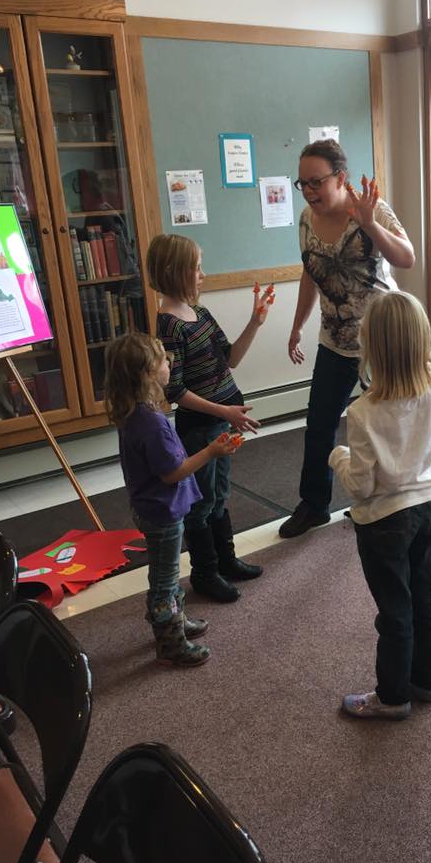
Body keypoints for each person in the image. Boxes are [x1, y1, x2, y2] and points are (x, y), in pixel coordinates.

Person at [279, 139, 415, 539]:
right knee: (319, 424)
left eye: (316, 182)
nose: (308, 191)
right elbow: (311, 273)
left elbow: (406, 258)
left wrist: (370, 224)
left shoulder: (372, 209)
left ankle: (385, 502)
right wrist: (297, 325)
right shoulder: (306, 220)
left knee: (385, 425)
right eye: (302, 183)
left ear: (340, 178)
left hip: (381, 341)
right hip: (334, 340)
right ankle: (314, 504)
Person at [329, 290, 431, 719]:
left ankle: (393, 698)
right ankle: (424, 681)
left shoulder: (362, 412)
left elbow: (360, 487)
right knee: (427, 598)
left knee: (395, 610)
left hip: (383, 522)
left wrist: (338, 457)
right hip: (429, 507)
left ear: (371, 348)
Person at [105, 333, 241, 667]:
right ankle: (170, 642)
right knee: (165, 580)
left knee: (164, 573)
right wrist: (211, 451)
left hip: (150, 507)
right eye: (163, 360)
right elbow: (173, 473)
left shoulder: (135, 412)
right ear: (148, 374)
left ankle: (174, 621)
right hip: (162, 512)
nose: (170, 362)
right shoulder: (151, 422)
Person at [150, 233, 272, 602]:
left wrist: (255, 322)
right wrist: (224, 412)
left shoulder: (200, 314)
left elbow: (230, 358)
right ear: (175, 272)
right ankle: (205, 573)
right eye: (197, 268)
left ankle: (225, 561)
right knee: (200, 502)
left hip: (222, 420)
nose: (203, 274)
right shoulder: (170, 325)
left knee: (219, 495)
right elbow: (175, 391)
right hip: (201, 427)